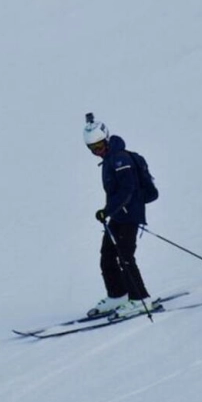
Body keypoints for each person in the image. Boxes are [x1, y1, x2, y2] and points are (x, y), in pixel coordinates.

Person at [83, 113, 155, 318]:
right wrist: (109, 212)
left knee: (125, 257)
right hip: (117, 216)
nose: (97, 151)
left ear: (106, 139)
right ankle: (118, 295)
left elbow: (127, 190)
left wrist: (108, 210)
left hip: (129, 215)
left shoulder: (121, 159)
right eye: (92, 149)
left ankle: (141, 299)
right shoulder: (109, 159)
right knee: (107, 257)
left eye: (99, 146)